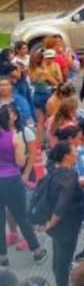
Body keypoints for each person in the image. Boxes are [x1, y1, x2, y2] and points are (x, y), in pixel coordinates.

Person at [37, 141, 84, 286]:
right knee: (63, 260)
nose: (77, 153)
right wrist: (52, 222)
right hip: (67, 225)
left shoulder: (54, 170)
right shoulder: (69, 175)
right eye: (74, 151)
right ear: (67, 156)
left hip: (57, 226)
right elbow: (62, 204)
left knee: (59, 258)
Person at [0, 106, 45, 265]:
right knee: (21, 216)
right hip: (12, 179)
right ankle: (36, 251)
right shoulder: (14, 137)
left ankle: (3, 257)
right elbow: (20, 161)